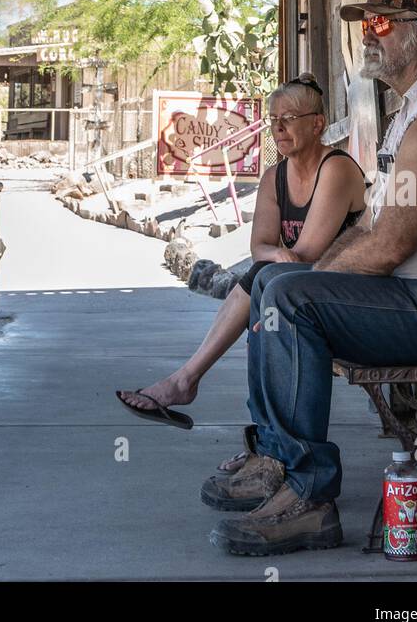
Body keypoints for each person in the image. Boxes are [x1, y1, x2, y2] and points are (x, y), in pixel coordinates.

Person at [205, 0, 417, 557]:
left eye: (382, 23)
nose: (367, 36)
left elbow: (390, 246)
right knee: (274, 278)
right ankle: (276, 456)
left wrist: (308, 283)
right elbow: (369, 230)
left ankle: (309, 499)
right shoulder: (411, 110)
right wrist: (300, 275)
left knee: (290, 295)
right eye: (363, 24)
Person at [116, 75, 365, 432]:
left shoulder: (336, 168)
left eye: (289, 119)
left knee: (265, 284)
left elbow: (308, 252)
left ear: (317, 123)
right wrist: (277, 256)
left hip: (350, 293)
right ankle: (258, 438)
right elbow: (261, 246)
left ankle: (187, 382)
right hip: (301, 291)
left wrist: (277, 257)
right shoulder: (274, 177)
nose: (278, 128)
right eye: (273, 120)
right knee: (264, 289)